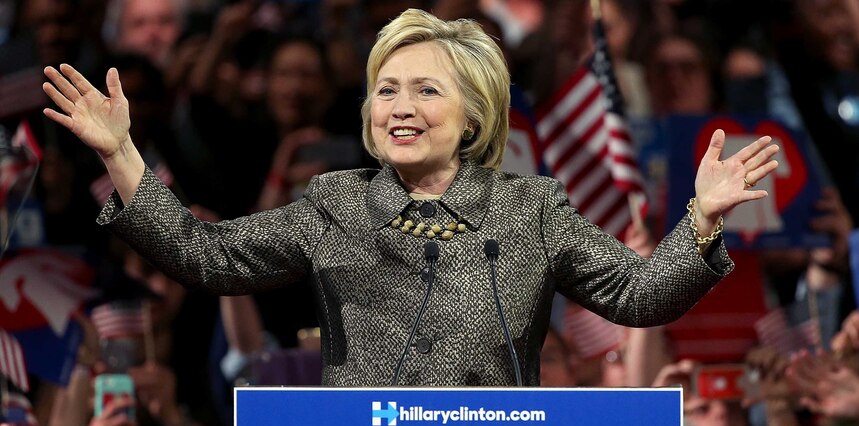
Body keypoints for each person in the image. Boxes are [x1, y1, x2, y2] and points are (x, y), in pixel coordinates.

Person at [41, 8, 780, 387]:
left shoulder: (533, 209)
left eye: (426, 89)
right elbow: (208, 256)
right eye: (385, 89)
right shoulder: (333, 203)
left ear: (475, 115)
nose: (399, 105)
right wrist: (121, 154)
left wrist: (701, 216)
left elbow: (639, 293)